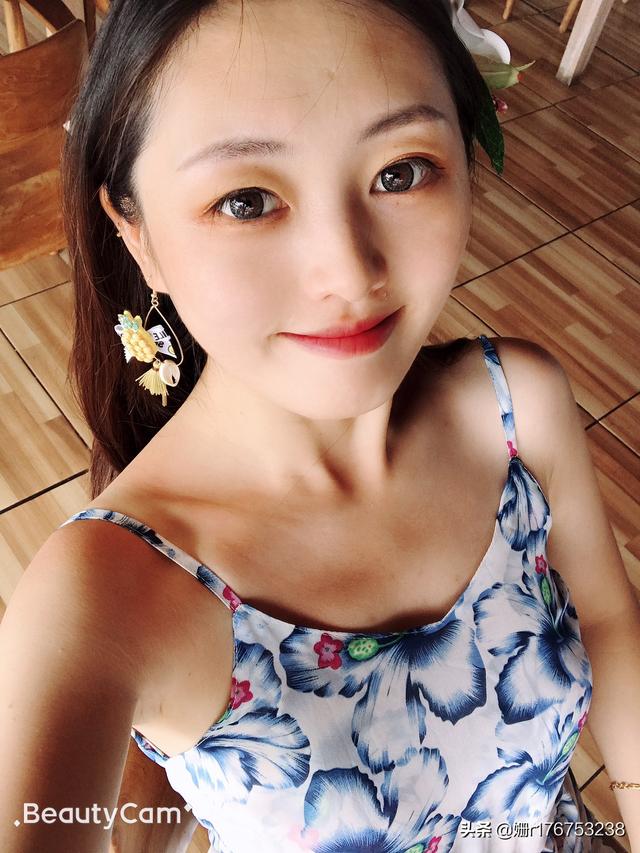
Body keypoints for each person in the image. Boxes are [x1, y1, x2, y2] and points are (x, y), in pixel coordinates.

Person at [0, 0, 638, 851]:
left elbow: (609, 621)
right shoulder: (102, 594)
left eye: (401, 171)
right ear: (136, 232)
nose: (349, 270)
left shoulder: (515, 409)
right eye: (247, 200)